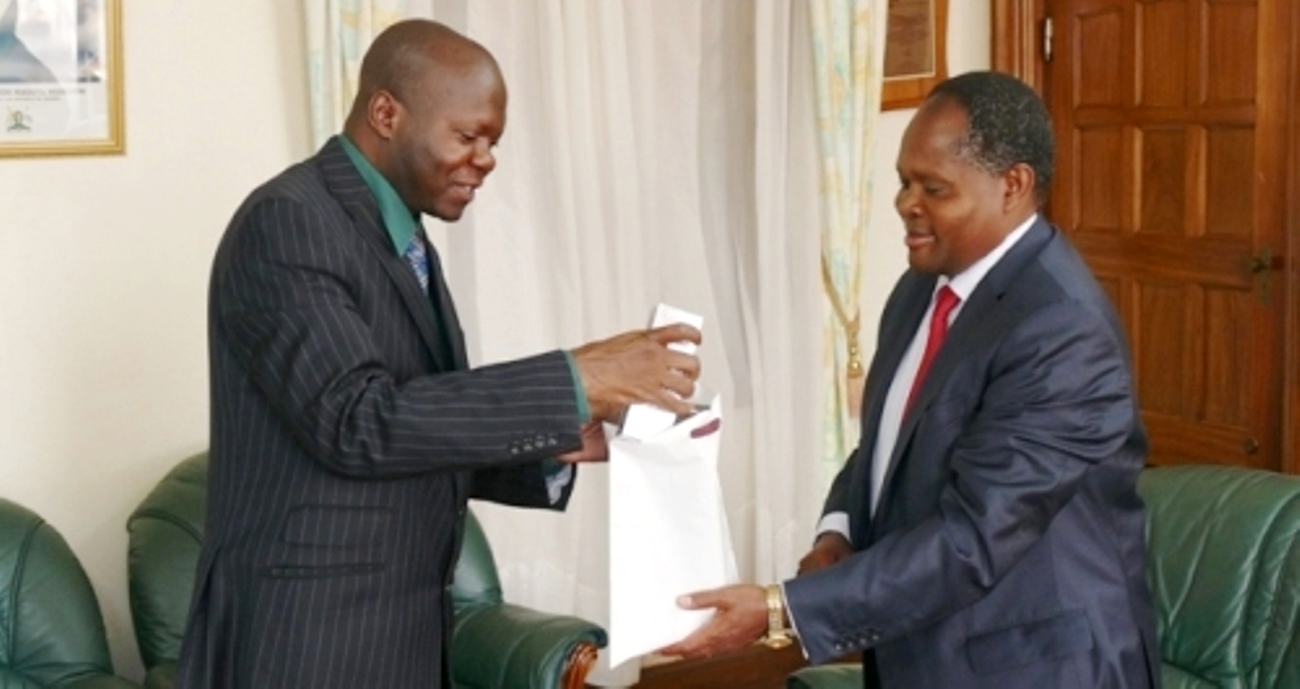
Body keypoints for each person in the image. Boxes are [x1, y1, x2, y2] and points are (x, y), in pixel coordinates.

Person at [176, 19, 700, 689]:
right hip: (306, 641)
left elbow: (416, 429)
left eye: (494, 142)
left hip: (396, 636)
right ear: (386, 112)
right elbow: (356, 421)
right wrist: (576, 375)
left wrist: (563, 436)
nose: (486, 159)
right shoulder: (290, 221)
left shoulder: (397, 234)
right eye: (468, 135)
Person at [662, 71, 1160, 688]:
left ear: (1014, 186)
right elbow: (889, 445)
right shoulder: (921, 288)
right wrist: (838, 531)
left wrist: (781, 608)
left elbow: (973, 538)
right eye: (903, 181)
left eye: (934, 188)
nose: (905, 204)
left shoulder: (1061, 330)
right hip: (925, 649)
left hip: (1036, 666)